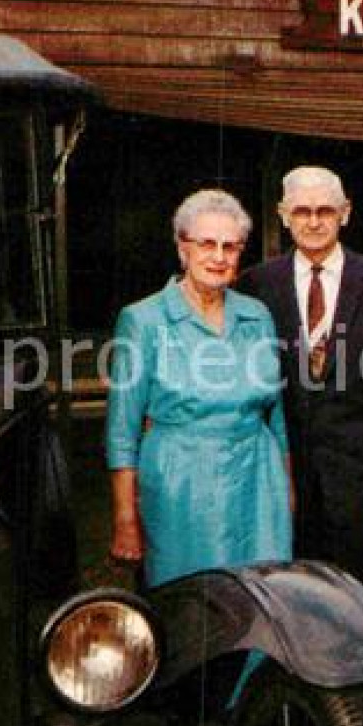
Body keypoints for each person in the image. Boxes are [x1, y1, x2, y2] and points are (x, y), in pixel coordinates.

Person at [238, 165, 363, 593]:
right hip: (285, 478)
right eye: (301, 211)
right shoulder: (258, 285)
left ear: (345, 213)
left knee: (354, 593)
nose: (313, 222)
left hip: (357, 478)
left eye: (324, 211)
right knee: (291, 592)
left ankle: (359, 660)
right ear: (282, 215)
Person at [106, 188, 291, 587]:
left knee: (263, 594)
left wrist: (287, 487)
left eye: (231, 246)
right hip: (181, 485)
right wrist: (125, 520)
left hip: (258, 483)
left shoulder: (256, 316)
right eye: (207, 243)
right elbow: (122, 431)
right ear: (182, 248)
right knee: (188, 599)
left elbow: (275, 413)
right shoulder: (142, 321)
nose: (219, 256)